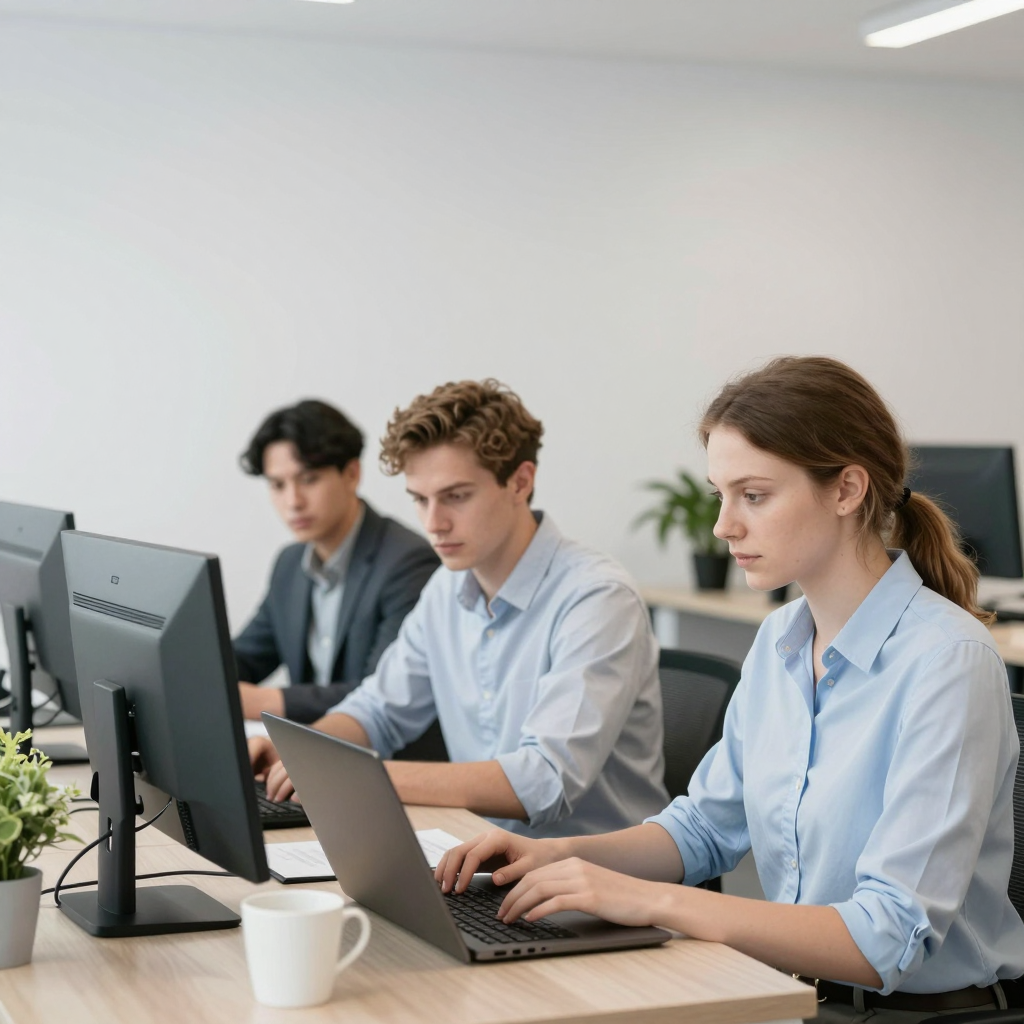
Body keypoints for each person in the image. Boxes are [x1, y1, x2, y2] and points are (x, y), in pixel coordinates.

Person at [436, 357, 1024, 1021]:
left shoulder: (948, 662)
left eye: (754, 495)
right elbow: (701, 832)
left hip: (932, 1015)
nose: (723, 526)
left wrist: (654, 902)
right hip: (797, 1000)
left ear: (847, 489)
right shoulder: (781, 643)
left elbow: (886, 935)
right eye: (720, 494)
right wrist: (556, 856)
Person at [250, 379, 669, 839]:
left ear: (520, 481)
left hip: (596, 884)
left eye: (456, 496)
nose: (433, 523)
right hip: (480, 856)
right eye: (420, 500)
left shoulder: (597, 598)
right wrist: (306, 754)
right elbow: (377, 711)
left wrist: (353, 775)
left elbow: (544, 781)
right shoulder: (446, 588)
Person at [233, 399, 439, 724]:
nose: (293, 502)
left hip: (383, 761)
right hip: (306, 756)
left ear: (352, 473)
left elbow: (382, 694)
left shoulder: (408, 562)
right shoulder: (289, 563)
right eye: (277, 485)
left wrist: (264, 701)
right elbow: (245, 657)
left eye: (309, 479)